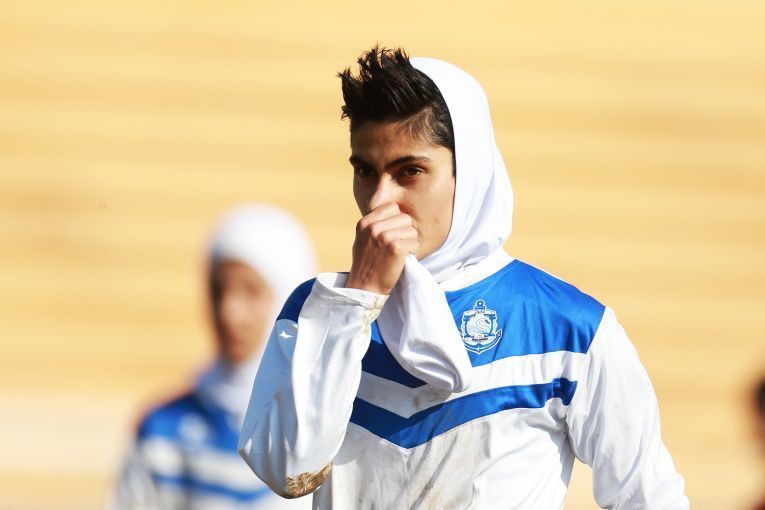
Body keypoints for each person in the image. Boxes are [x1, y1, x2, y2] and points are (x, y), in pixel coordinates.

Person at [238, 47, 690, 509]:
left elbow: (648, 497)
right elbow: (287, 470)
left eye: (410, 172)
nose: (378, 201)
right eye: (365, 172)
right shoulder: (319, 311)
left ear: (469, 171)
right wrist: (360, 299)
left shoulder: (568, 329)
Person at [111, 204, 316, 510]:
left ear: (289, 297)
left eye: (252, 291)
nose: (229, 312)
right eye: (219, 290)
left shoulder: (325, 425)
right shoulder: (164, 429)